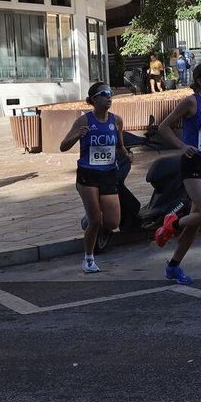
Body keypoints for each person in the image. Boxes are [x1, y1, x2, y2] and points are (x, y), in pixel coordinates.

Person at [152, 63, 201, 285]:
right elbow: (163, 127)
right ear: (200, 80)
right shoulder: (191, 102)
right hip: (193, 163)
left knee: (197, 222)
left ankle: (173, 266)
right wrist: (181, 145)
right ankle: (172, 223)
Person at [60, 81, 128, 274]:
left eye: (110, 93)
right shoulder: (84, 121)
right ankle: (88, 259)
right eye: (104, 93)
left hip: (109, 174)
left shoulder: (116, 121)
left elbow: (120, 146)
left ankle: (89, 220)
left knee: (113, 222)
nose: (109, 97)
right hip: (88, 174)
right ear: (94, 99)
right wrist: (77, 136)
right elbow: (63, 146)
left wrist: (127, 154)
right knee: (96, 220)